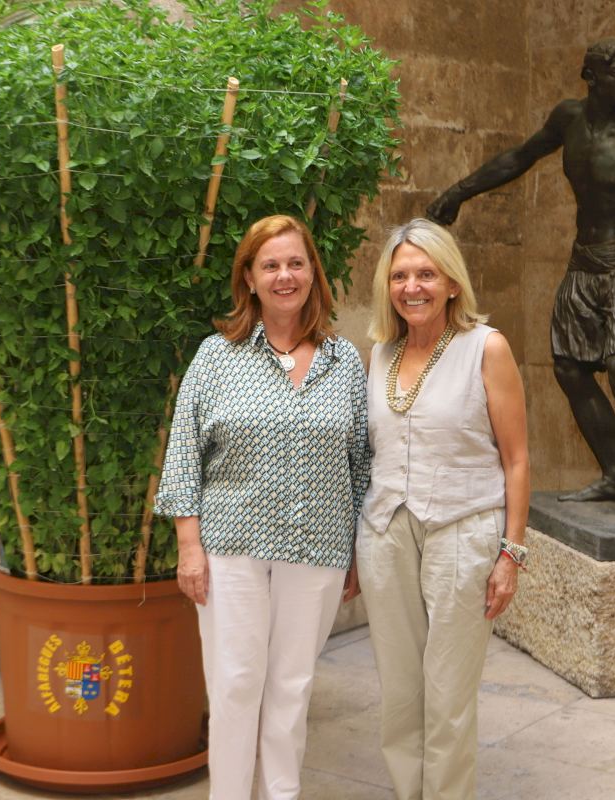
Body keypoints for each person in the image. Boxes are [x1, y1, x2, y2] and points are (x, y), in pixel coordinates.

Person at [426, 37, 615, 533]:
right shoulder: (570, 119)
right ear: (590, 77)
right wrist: (459, 193)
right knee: (570, 369)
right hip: (585, 262)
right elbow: (519, 157)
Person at [155, 214, 370, 800]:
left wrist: (355, 551)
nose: (284, 276)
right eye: (270, 265)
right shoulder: (216, 357)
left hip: (317, 549)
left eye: (296, 263)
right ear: (248, 278)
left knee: (292, 688)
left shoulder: (344, 362)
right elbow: (183, 454)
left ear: (313, 273)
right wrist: (188, 547)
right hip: (231, 551)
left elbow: (360, 463)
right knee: (234, 685)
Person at [356, 218, 529, 800]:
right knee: (399, 691)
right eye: (400, 275)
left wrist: (511, 553)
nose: (412, 287)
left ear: (452, 282)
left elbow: (517, 459)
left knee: (449, 694)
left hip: (463, 533)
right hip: (385, 534)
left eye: (426, 274)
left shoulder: (487, 348)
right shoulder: (380, 353)